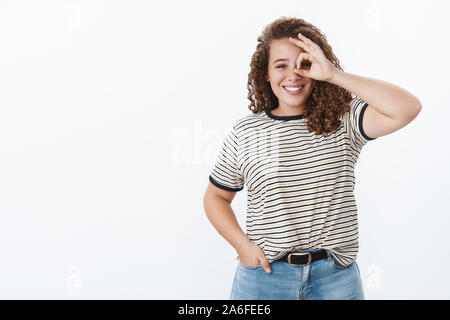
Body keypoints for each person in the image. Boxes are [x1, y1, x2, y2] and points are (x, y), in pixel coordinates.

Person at [203, 16, 421, 300]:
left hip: (335, 279)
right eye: (281, 65)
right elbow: (215, 197)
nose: (293, 75)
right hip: (265, 279)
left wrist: (333, 75)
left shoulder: (343, 120)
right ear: (265, 73)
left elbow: (407, 108)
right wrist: (242, 246)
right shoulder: (247, 131)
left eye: (303, 65)